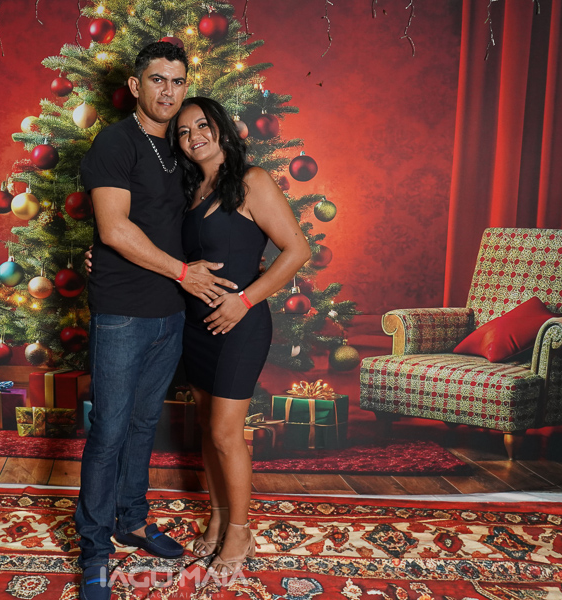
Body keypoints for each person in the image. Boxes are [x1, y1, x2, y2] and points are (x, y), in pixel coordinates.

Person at [75, 43, 236, 600]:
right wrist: (181, 273)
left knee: (144, 424)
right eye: (157, 79)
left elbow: (207, 215)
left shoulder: (182, 148)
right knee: (110, 430)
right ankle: (94, 549)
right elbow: (115, 228)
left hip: (172, 314)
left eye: (177, 80)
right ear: (135, 85)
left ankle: (133, 520)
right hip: (124, 312)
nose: (168, 91)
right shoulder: (115, 143)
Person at [169, 97, 310, 577]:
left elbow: (297, 250)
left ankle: (240, 530)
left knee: (225, 433)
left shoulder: (252, 181)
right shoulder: (190, 189)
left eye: (201, 125)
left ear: (221, 127)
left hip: (240, 325)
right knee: (208, 428)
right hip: (197, 326)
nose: (194, 137)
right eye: (183, 132)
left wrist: (244, 300)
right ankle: (217, 516)